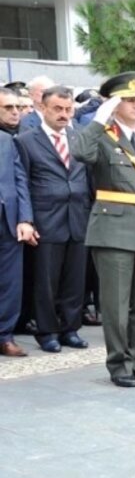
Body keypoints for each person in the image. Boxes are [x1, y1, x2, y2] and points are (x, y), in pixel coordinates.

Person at [71, 72, 135, 387]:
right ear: (114, 104)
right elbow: (80, 153)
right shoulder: (101, 135)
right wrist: (98, 120)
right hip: (113, 228)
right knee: (116, 304)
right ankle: (119, 364)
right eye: (129, 100)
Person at [16, 86, 91, 352]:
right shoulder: (26, 140)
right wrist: (26, 219)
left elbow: (89, 177)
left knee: (75, 279)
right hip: (46, 219)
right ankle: (47, 331)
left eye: (68, 109)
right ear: (43, 109)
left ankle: (70, 328)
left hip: (79, 217)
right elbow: (21, 182)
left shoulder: (80, 136)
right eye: (57, 109)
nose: (63, 114)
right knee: (46, 281)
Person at [0, 128, 36, 357]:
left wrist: (25, 219)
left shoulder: (5, 140)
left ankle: (4, 335)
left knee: (10, 283)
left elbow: (20, 179)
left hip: (8, 221)